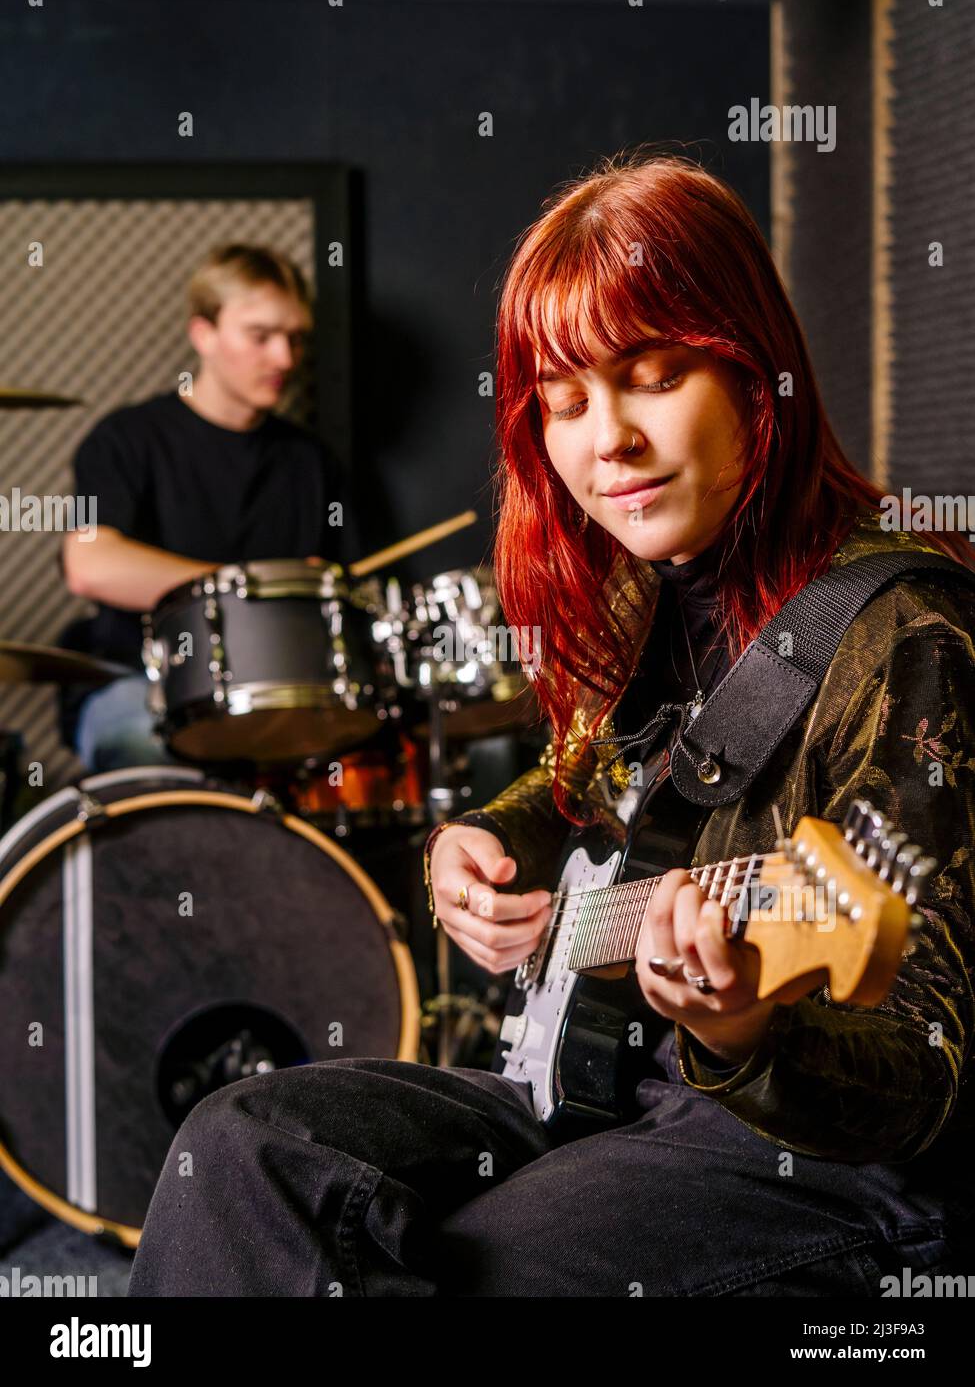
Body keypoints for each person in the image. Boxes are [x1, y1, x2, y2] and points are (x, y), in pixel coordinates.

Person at [128, 150, 975, 1298]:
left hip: (817, 1156)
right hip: (607, 1080)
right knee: (233, 1156)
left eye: (654, 378)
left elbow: (926, 1071)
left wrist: (746, 1034)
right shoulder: (644, 591)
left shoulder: (910, 630)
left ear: (756, 368)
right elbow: (590, 785)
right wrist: (480, 840)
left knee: (478, 1266)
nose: (604, 441)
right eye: (566, 404)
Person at [60, 243, 353, 773]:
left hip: (270, 690)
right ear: (204, 334)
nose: (285, 359)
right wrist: (251, 589)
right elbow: (90, 565)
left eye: (294, 339)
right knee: (138, 743)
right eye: (261, 336)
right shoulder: (125, 438)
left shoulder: (310, 462)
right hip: (138, 680)